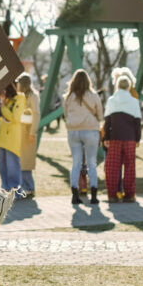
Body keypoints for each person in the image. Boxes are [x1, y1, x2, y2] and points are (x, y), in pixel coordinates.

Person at [62, 69, 103, 205]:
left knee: (76, 163)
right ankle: (94, 196)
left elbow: (66, 114)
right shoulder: (93, 95)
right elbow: (100, 115)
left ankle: (75, 194)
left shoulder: (68, 97)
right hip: (91, 130)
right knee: (92, 163)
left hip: (73, 131)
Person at [103, 75, 141, 202]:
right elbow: (137, 123)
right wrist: (137, 139)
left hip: (115, 137)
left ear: (117, 86)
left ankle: (112, 195)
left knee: (112, 167)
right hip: (130, 137)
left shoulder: (111, 100)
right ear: (129, 87)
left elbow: (108, 121)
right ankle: (129, 195)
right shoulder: (134, 101)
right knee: (130, 167)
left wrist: (106, 137)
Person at [11, 73, 40, 198]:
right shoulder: (20, 96)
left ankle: (29, 188)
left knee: (26, 162)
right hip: (20, 132)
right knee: (21, 161)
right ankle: (25, 188)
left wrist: (32, 133)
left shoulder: (32, 96)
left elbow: (36, 114)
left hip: (28, 132)